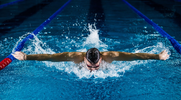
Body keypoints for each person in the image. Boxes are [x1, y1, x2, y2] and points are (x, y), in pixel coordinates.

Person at [12, 48, 169, 71]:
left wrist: (158, 56)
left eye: (95, 66)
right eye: (89, 65)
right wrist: (26, 56)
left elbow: (135, 56)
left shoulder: (111, 56)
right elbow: (51, 58)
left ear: (101, 58)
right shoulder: (75, 57)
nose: (92, 69)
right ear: (84, 59)